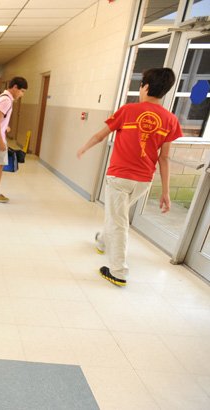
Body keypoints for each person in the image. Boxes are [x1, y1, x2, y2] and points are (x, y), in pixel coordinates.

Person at [77, 67, 182, 287]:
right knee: (118, 215)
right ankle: (103, 242)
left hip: (119, 177)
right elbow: (164, 159)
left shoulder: (127, 110)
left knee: (119, 222)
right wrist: (165, 192)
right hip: (143, 181)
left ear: (144, 86)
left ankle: (118, 271)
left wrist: (84, 147)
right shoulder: (170, 120)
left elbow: (100, 135)